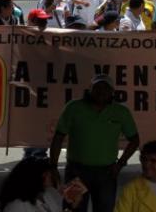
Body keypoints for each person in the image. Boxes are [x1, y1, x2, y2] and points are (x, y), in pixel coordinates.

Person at [50, 74, 140, 212]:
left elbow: (134, 140)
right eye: (97, 87)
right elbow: (58, 137)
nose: (101, 91)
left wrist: (120, 164)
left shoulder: (121, 112)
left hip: (107, 173)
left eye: (106, 88)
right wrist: (53, 166)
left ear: (112, 92)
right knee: (72, 209)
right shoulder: (74, 107)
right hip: (76, 172)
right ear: (89, 90)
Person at [0, 157, 82, 212]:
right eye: (47, 173)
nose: (51, 176)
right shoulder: (18, 206)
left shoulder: (46, 194)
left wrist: (73, 205)